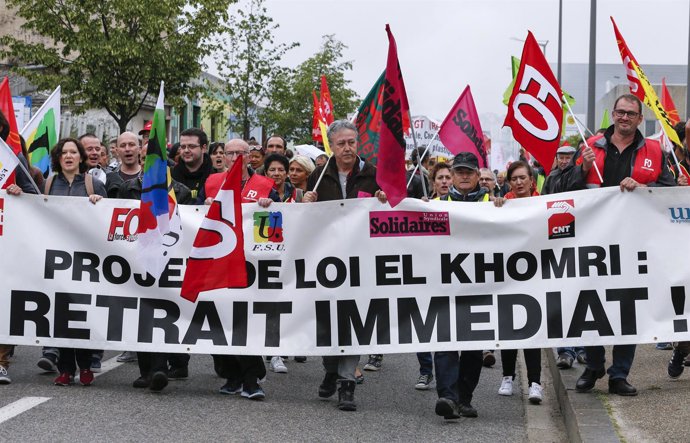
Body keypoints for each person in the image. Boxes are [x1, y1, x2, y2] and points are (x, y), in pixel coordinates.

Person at [555, 93, 676, 396]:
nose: (624, 118)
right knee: (589, 306)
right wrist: (581, 169)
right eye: (620, 112)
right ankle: (594, 364)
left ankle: (618, 374)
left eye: (630, 114)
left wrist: (643, 187)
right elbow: (560, 190)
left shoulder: (654, 150)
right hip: (592, 242)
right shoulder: (591, 146)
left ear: (639, 118)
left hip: (635, 243)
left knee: (627, 309)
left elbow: (669, 192)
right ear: (613, 114)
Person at [9, 137, 107, 386]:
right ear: (58, 157)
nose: (69, 156)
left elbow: (108, 219)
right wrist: (18, 195)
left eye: (74, 152)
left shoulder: (93, 183)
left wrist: (100, 202)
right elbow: (37, 210)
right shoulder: (49, 183)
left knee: (82, 315)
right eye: (64, 152)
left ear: (81, 157)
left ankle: (85, 365)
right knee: (61, 314)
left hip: (86, 262)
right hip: (58, 261)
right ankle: (65, 369)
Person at [303, 120, 385, 411]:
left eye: (352, 142)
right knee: (326, 319)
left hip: (360, 258)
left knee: (351, 319)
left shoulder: (373, 175)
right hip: (327, 260)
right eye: (341, 143)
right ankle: (330, 369)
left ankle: (346, 383)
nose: (348, 148)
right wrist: (306, 202)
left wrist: (383, 201)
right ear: (332, 146)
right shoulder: (318, 176)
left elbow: (390, 209)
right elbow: (307, 220)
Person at [432, 152, 487, 420]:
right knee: (444, 343)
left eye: (469, 172)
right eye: (459, 171)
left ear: (478, 175)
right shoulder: (434, 205)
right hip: (446, 286)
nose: (464, 176)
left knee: (473, 349)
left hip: (480, 287)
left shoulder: (492, 202)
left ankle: (465, 398)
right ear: (451, 175)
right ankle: (448, 397)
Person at [493, 161, 544, 404]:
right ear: (509, 182)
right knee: (509, 329)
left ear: (532, 181)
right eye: (515, 178)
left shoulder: (543, 203)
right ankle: (507, 377)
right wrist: (497, 208)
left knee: (532, 331)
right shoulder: (501, 204)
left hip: (534, 275)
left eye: (523, 178)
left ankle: (535, 383)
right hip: (508, 276)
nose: (519, 182)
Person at [171, 127, 213, 200]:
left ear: (203, 148)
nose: (186, 150)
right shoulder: (170, 175)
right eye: (183, 147)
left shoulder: (215, 175)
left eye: (191, 146)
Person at [105, 132, 143, 199]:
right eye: (123, 145)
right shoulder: (108, 177)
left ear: (139, 149)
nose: (127, 149)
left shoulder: (149, 176)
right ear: (117, 151)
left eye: (131, 145)